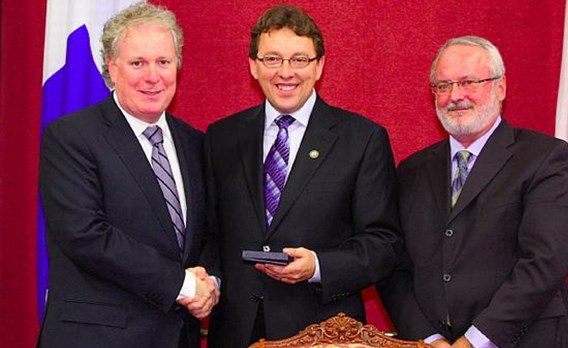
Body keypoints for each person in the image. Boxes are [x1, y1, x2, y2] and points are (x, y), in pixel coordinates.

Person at [202, 4, 400, 347]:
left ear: (319, 65)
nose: (286, 72)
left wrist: (319, 266)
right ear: (253, 65)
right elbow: (208, 233)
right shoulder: (221, 137)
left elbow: (383, 243)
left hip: (324, 333)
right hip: (235, 331)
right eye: (272, 59)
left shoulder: (362, 139)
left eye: (299, 59)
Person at [378, 36, 568, 348]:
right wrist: (428, 339)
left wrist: (475, 340)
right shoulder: (411, 171)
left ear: (501, 87)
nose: (455, 96)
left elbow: (546, 260)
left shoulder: (545, 158)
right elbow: (394, 266)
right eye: (443, 85)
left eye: (469, 82)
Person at [37, 3, 219, 347]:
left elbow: (209, 233)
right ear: (112, 67)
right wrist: (182, 285)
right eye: (138, 63)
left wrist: (210, 283)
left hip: (177, 337)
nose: (153, 76)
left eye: (163, 62)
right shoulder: (70, 137)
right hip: (96, 337)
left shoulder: (195, 143)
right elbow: (85, 235)